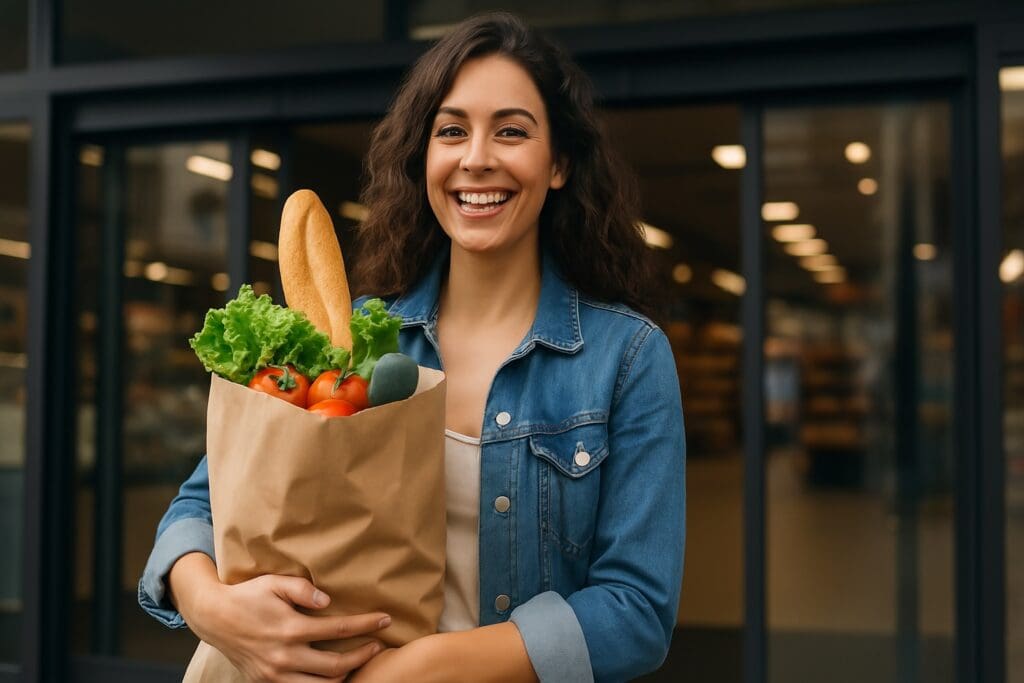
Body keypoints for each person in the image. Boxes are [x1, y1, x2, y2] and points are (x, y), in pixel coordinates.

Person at [139, 12, 686, 683]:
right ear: (424, 158)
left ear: (560, 164)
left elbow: (636, 609)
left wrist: (424, 666)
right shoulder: (352, 335)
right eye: (451, 130)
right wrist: (212, 606)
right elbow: (200, 505)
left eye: (511, 131)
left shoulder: (626, 357)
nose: (476, 156)